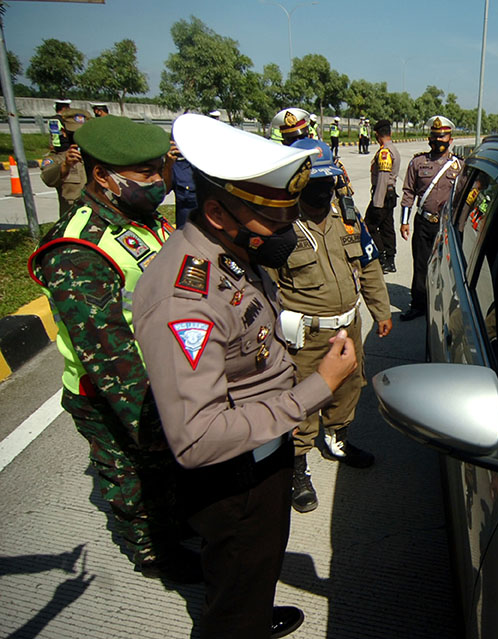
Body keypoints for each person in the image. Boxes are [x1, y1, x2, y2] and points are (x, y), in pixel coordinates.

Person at [132, 113, 358, 639]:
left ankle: (249, 611)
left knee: (254, 566)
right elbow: (198, 437)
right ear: (216, 211)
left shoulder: (230, 252)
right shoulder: (184, 299)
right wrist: (316, 387)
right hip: (234, 477)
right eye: (274, 221)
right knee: (238, 569)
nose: (286, 231)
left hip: (262, 453)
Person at [28, 114, 198, 583]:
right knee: (134, 478)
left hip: (166, 379)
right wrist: (155, 422)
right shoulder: (78, 249)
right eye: (147, 173)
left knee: (168, 471)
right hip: (118, 393)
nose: (160, 180)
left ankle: (177, 522)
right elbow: (108, 355)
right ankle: (153, 553)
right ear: (103, 176)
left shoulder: (143, 222)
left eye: (160, 168)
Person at [268, 138, 392, 512]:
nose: (322, 191)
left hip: (348, 325)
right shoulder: (280, 229)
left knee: (349, 387)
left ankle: (338, 439)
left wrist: (380, 310)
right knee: (304, 397)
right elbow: (266, 286)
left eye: (328, 183)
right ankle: (298, 463)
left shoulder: (348, 219)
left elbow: (368, 266)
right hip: (305, 333)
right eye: (314, 183)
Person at [399, 115, 461, 320]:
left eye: (442, 137)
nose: (438, 141)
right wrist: (404, 221)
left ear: (450, 139)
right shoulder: (418, 163)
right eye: (435, 137)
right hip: (424, 222)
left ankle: (443, 307)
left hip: (447, 225)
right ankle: (418, 304)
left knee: (447, 268)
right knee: (420, 264)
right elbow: (408, 192)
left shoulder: (459, 166)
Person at [39, 108, 91, 217]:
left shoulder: (98, 157)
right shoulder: (59, 159)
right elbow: (48, 179)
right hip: (72, 221)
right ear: (64, 132)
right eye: (74, 133)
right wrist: (66, 166)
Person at [366, 118, 400, 273]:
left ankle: (382, 257)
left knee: (369, 225)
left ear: (377, 134)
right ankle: (391, 260)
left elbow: (383, 178)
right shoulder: (393, 149)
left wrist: (377, 203)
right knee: (387, 227)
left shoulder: (385, 152)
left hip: (383, 194)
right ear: (390, 133)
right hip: (390, 195)